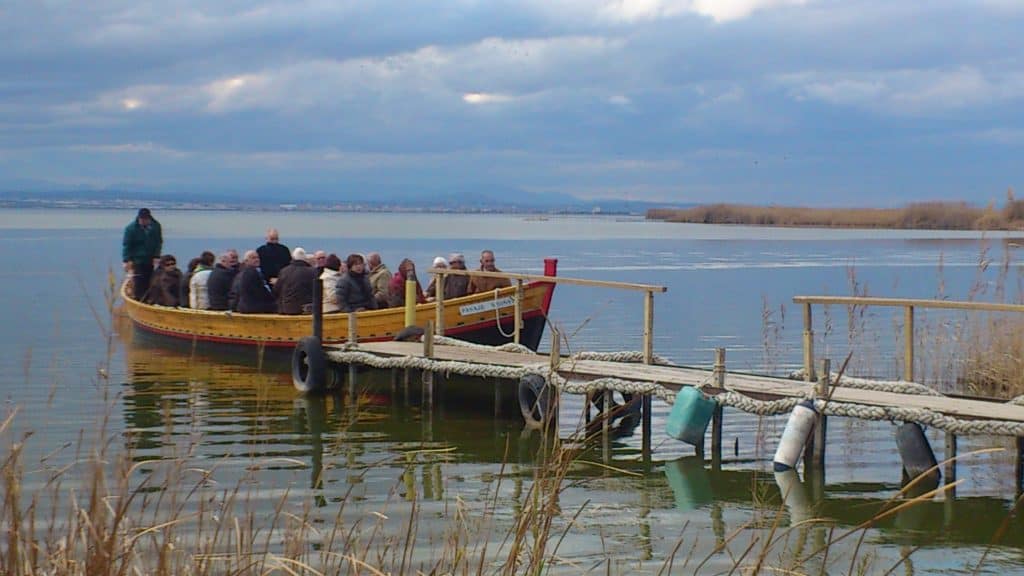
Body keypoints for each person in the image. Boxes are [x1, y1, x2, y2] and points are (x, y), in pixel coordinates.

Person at [122, 208, 163, 300]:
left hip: (151, 259)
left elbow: (158, 242)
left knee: (150, 280)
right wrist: (126, 260)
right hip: (137, 259)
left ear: (149, 218)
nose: (144, 221)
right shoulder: (131, 229)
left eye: (146, 219)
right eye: (142, 219)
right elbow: (127, 245)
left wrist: (157, 256)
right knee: (139, 281)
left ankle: (149, 299)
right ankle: (139, 299)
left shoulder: (156, 226)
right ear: (139, 218)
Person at [274, 247, 316, 314]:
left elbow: (276, 290)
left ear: (293, 257)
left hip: (286, 309)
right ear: (305, 258)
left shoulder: (284, 271)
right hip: (306, 309)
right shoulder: (312, 271)